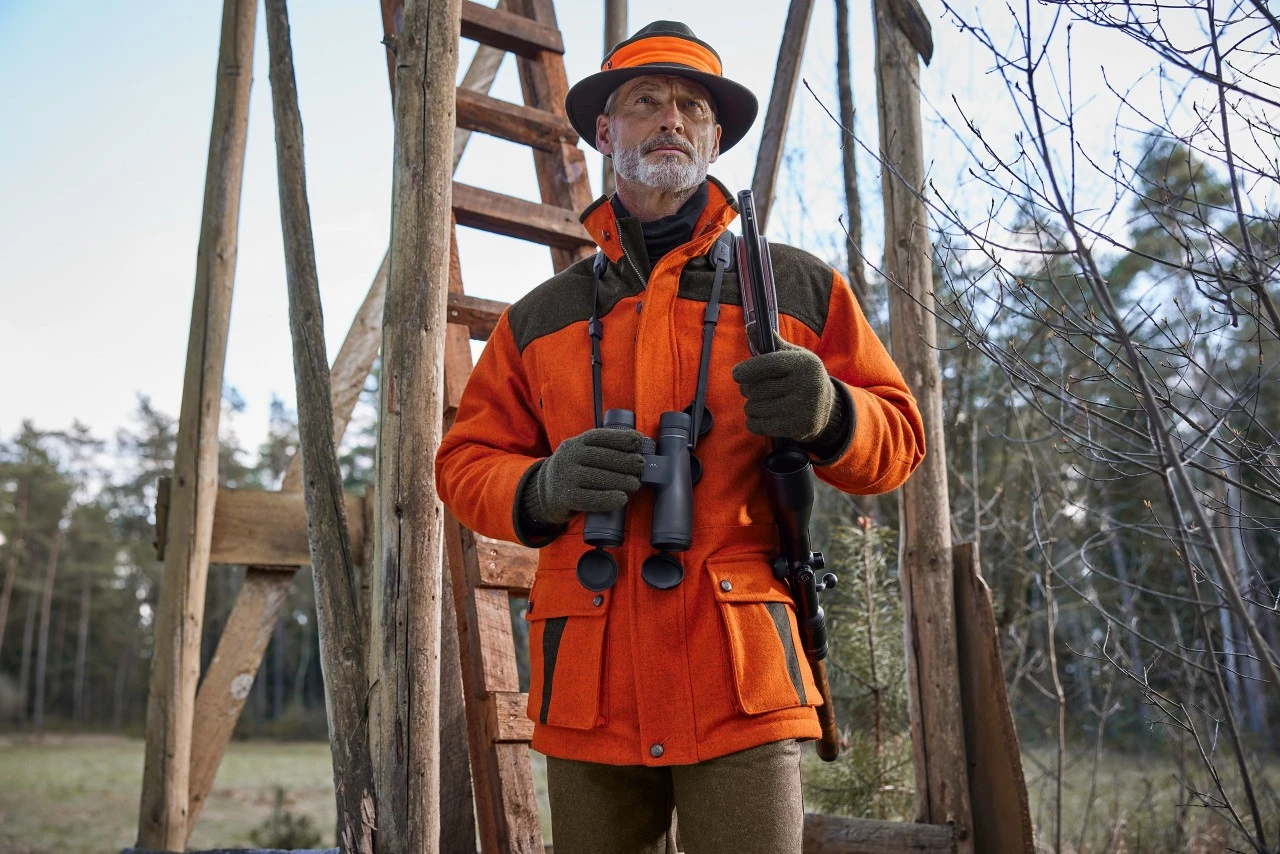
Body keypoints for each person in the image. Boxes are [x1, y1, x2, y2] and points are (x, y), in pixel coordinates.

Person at [435, 20, 925, 854]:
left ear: (714, 136)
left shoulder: (798, 288)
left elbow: (899, 442)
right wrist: (542, 489)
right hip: (589, 687)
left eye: (693, 106)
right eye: (646, 102)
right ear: (603, 132)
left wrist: (832, 412)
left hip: (741, 684)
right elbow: (464, 464)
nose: (672, 118)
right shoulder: (541, 318)